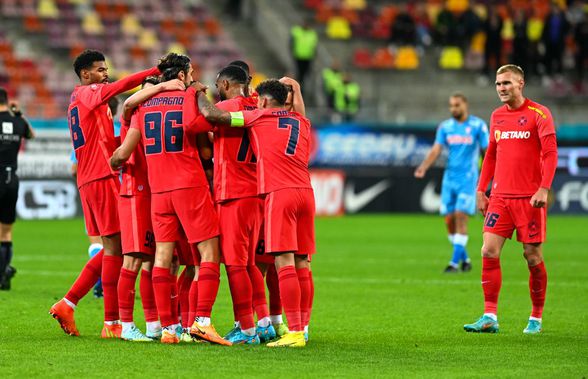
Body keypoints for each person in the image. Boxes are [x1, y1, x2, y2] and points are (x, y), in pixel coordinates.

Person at [110, 53, 229, 345]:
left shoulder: (143, 105)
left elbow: (125, 150)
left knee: (162, 257)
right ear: (182, 75)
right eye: (190, 73)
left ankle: (168, 329)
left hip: (158, 191)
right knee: (208, 252)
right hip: (189, 185)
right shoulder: (189, 96)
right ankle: (202, 322)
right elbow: (202, 148)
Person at [195, 78, 315, 348]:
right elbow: (298, 106)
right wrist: (295, 85)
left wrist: (198, 92)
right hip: (306, 193)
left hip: (278, 193)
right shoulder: (301, 121)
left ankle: (294, 333)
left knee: (282, 262)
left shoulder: (257, 116)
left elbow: (213, 115)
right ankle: (303, 328)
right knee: (302, 263)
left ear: (261, 100)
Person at [49, 49, 159, 338]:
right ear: (86, 74)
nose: (105, 74)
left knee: (115, 249)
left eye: (105, 69)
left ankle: (79, 309)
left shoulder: (89, 105)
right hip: (101, 178)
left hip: (91, 180)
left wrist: (134, 136)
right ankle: (108, 321)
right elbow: (118, 87)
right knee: (119, 249)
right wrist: (154, 74)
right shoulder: (87, 94)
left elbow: (109, 142)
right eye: (100, 70)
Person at [464, 64, 558, 334]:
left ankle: (536, 318)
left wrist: (543, 188)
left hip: (529, 198)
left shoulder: (539, 114)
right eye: (498, 84)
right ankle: (489, 317)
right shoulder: (496, 117)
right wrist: (481, 190)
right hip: (501, 197)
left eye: (506, 83)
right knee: (488, 250)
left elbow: (551, 154)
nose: (502, 88)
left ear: (521, 83)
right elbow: (491, 154)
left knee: (531, 255)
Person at [115, 76, 187, 342]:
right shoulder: (132, 114)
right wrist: (160, 87)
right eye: (148, 93)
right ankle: (125, 325)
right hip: (135, 192)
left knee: (153, 261)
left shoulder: (149, 115)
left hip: (155, 193)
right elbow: (128, 103)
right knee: (133, 260)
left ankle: (153, 323)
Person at [207, 65, 274, 345]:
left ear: (223, 83)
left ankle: (246, 330)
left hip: (233, 193)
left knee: (235, 265)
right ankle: (264, 323)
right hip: (256, 192)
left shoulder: (228, 105)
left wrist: (194, 92)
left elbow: (202, 118)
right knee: (249, 264)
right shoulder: (260, 105)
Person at [415, 93, 488, 273]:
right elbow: (436, 149)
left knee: (460, 217)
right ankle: (465, 259)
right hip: (449, 178)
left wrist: (490, 175)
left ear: (465, 105)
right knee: (449, 220)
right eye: (451, 106)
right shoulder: (445, 127)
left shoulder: (478, 125)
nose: (453, 109)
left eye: (457, 105)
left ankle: (453, 264)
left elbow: (487, 151)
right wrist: (423, 166)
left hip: (468, 178)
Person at [70, 96, 120, 299]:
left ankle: (96, 287)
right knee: (123, 246)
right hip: (119, 189)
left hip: (91, 187)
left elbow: (74, 167)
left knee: (99, 242)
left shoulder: (86, 130)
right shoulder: (118, 130)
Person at [0, 89, 35, 290]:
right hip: (11, 179)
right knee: (6, 233)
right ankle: (4, 274)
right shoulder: (18, 122)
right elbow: (31, 135)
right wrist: (19, 114)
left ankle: (2, 273)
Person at [290, 19, 318, 89]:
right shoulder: (296, 31)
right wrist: (292, 52)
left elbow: (314, 46)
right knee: (299, 74)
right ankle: (298, 88)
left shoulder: (312, 34)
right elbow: (291, 42)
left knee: (305, 75)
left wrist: (314, 55)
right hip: (298, 56)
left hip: (308, 57)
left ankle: (302, 89)